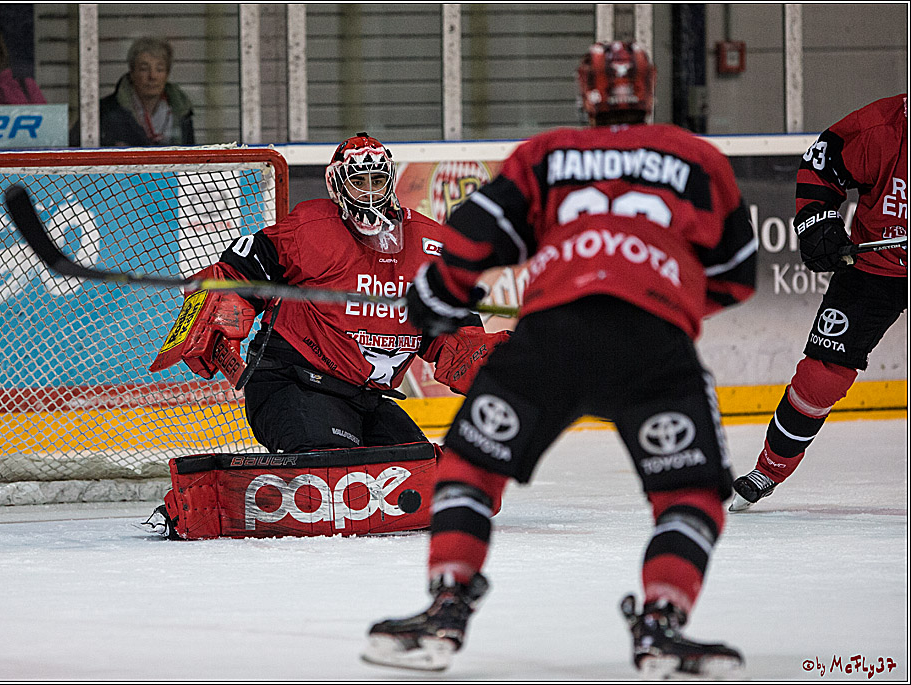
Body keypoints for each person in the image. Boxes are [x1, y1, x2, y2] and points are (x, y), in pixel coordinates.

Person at [361, 42, 757, 678]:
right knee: (692, 492)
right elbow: (737, 276)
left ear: (585, 93)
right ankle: (661, 625)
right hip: (653, 345)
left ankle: (445, 611)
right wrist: (666, 301)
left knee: (468, 467)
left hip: (551, 337)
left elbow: (472, 237)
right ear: (649, 90)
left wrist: (437, 297)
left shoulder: (546, 154)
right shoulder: (697, 157)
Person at [143, 132, 508, 538]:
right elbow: (235, 272)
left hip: (367, 400)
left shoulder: (430, 245)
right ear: (337, 184)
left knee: (433, 482)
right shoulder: (309, 228)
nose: (369, 192)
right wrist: (217, 316)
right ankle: (208, 502)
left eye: (377, 180)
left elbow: (453, 334)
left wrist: (497, 369)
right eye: (358, 181)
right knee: (329, 476)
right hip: (293, 384)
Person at [730, 94, 908, 512]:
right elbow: (822, 163)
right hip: (876, 267)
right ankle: (769, 469)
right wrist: (818, 220)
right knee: (821, 375)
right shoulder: (883, 127)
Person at [78, 37, 194, 147]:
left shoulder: (182, 110)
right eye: (144, 69)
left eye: (160, 69)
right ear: (132, 73)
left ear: (167, 74)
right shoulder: (105, 112)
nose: (152, 76)